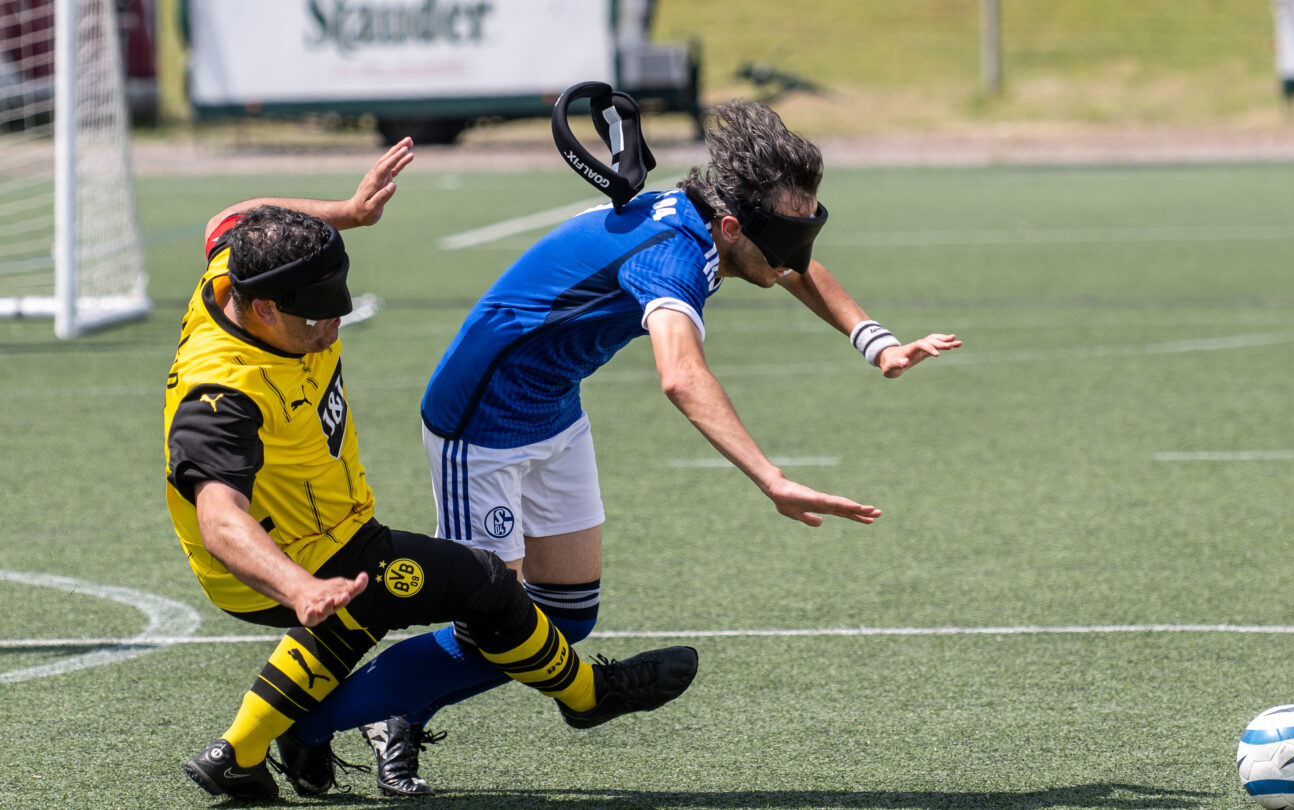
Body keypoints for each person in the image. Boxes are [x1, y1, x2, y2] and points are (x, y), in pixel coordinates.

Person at [288, 101, 961, 797]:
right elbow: (680, 374)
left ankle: (396, 708)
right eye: (786, 240)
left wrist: (874, 342)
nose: (796, 256)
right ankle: (305, 721)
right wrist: (772, 478)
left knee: (567, 615)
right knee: (496, 624)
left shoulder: (710, 217)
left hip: (553, 412)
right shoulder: (672, 258)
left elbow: (794, 265)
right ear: (731, 227)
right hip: (478, 424)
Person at [162, 137, 699, 801]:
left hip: (328, 531)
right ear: (266, 308)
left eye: (341, 303)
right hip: (287, 559)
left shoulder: (234, 267)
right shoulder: (221, 396)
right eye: (318, 314)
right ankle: (588, 695)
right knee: (484, 584)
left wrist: (347, 212)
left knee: (360, 614)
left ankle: (236, 754)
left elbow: (238, 213)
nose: (335, 323)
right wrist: (298, 587)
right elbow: (219, 520)